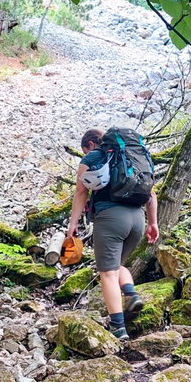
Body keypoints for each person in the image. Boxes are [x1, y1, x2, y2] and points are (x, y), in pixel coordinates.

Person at [66, 128, 160, 340]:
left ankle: (118, 330)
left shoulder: (93, 157)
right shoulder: (135, 158)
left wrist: (73, 224)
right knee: (116, 266)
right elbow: (151, 193)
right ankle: (131, 294)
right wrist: (153, 223)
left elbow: (81, 192)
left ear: (90, 144)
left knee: (107, 274)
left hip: (111, 219)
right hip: (137, 219)